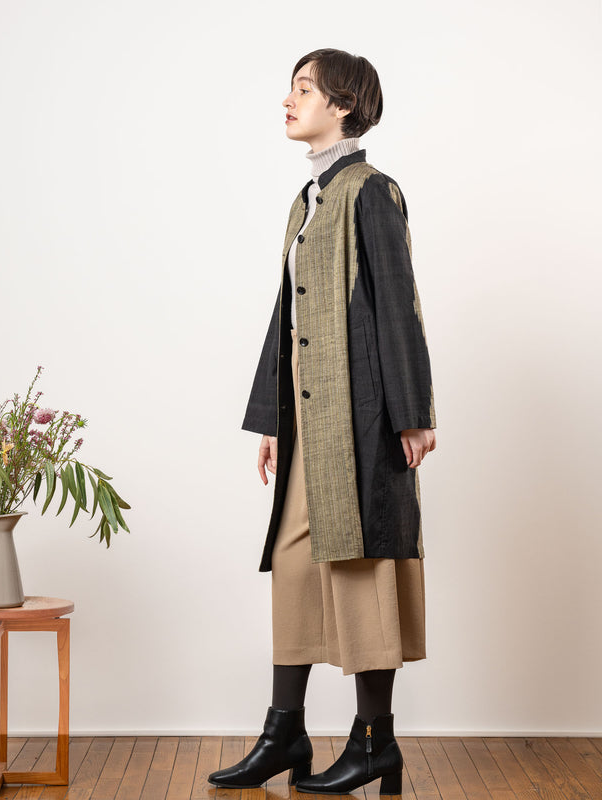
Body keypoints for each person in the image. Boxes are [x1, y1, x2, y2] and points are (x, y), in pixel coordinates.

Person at [208, 47, 437, 796]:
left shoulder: (372, 191)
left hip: (362, 416)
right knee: (296, 563)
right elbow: (289, 315)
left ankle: (375, 741)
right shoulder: (307, 199)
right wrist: (273, 418)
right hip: (311, 418)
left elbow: (398, 304)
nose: (288, 100)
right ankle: (286, 732)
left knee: (361, 563)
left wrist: (412, 413)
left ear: (341, 105)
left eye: (303, 89)